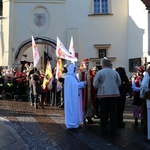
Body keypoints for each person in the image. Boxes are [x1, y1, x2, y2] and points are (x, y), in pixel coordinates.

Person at [93, 57, 121, 136]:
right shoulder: (115, 72)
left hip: (103, 95)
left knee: (103, 114)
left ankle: (104, 130)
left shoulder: (100, 72)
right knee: (113, 113)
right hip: (113, 95)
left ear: (103, 64)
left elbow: (95, 85)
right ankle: (113, 130)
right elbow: (119, 83)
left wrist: (101, 86)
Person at [64, 63, 87, 129]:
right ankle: (71, 124)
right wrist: (83, 83)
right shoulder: (69, 77)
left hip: (74, 96)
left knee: (75, 109)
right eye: (74, 69)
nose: (75, 70)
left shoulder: (73, 76)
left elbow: (75, 84)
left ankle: (75, 123)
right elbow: (75, 85)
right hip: (71, 97)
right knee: (71, 110)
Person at [79, 58, 95, 124]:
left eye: (88, 63)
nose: (87, 64)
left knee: (90, 104)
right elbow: (79, 81)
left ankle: (89, 117)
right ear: (83, 64)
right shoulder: (81, 71)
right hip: (84, 91)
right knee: (84, 104)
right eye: (86, 63)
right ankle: (83, 117)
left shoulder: (91, 71)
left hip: (90, 90)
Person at [140, 65, 150, 139]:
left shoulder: (148, 72)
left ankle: (148, 133)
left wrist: (142, 95)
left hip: (149, 97)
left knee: (148, 115)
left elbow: (143, 86)